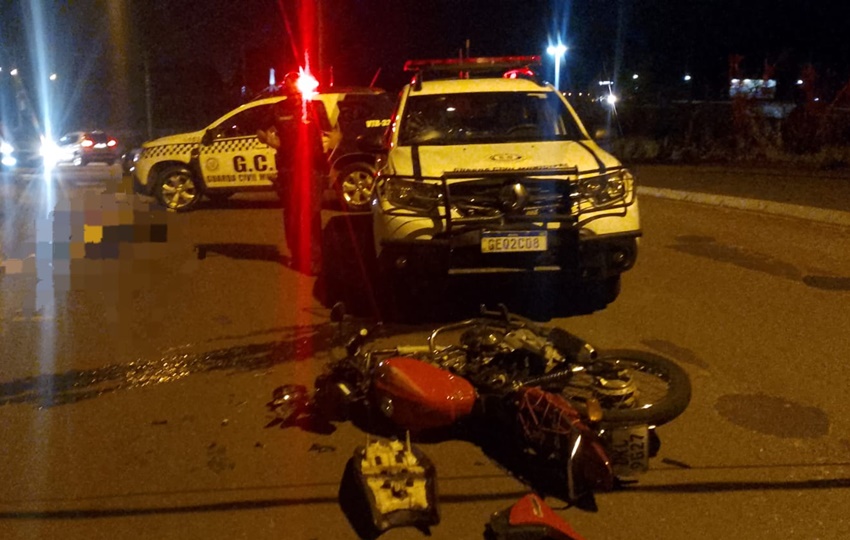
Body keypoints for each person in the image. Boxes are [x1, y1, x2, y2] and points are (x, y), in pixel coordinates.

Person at [258, 73, 327, 276]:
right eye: (291, 92)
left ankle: (315, 260)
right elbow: (260, 131)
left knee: (312, 213)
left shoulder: (315, 107)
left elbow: (332, 132)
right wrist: (271, 141)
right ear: (285, 91)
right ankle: (296, 254)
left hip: (312, 168)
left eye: (298, 92)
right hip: (288, 169)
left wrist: (330, 144)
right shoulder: (277, 109)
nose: (295, 96)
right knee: (292, 214)